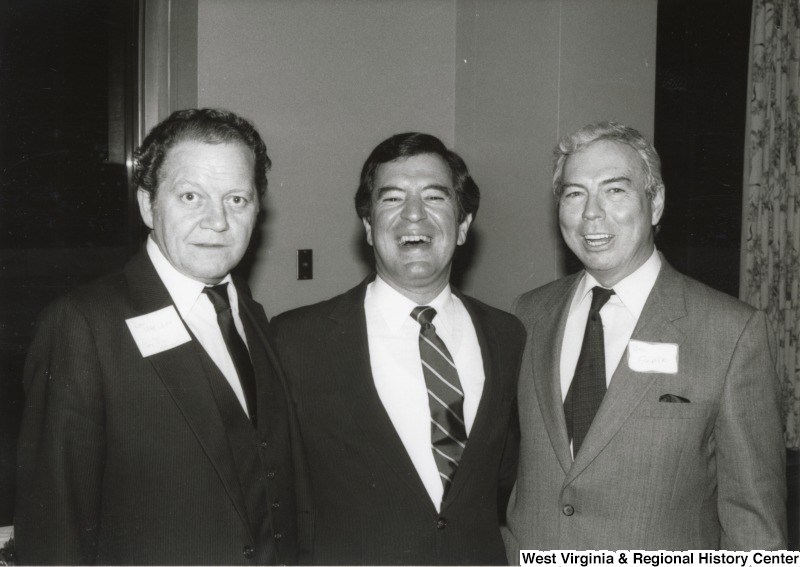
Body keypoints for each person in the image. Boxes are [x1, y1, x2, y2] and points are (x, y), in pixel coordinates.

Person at [15, 108, 302, 565]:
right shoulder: (83, 325)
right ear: (148, 204)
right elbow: (55, 526)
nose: (217, 221)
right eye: (191, 196)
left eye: (237, 200)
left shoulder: (249, 310)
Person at [504, 120, 787, 553]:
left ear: (655, 204)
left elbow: (754, 522)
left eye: (615, 190)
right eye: (574, 193)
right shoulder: (527, 314)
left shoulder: (731, 332)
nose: (591, 213)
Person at [271, 132, 525, 565]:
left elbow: (509, 476)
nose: (413, 215)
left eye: (434, 197)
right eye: (391, 199)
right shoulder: (296, 340)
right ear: (369, 227)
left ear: (463, 226)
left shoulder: (508, 336)